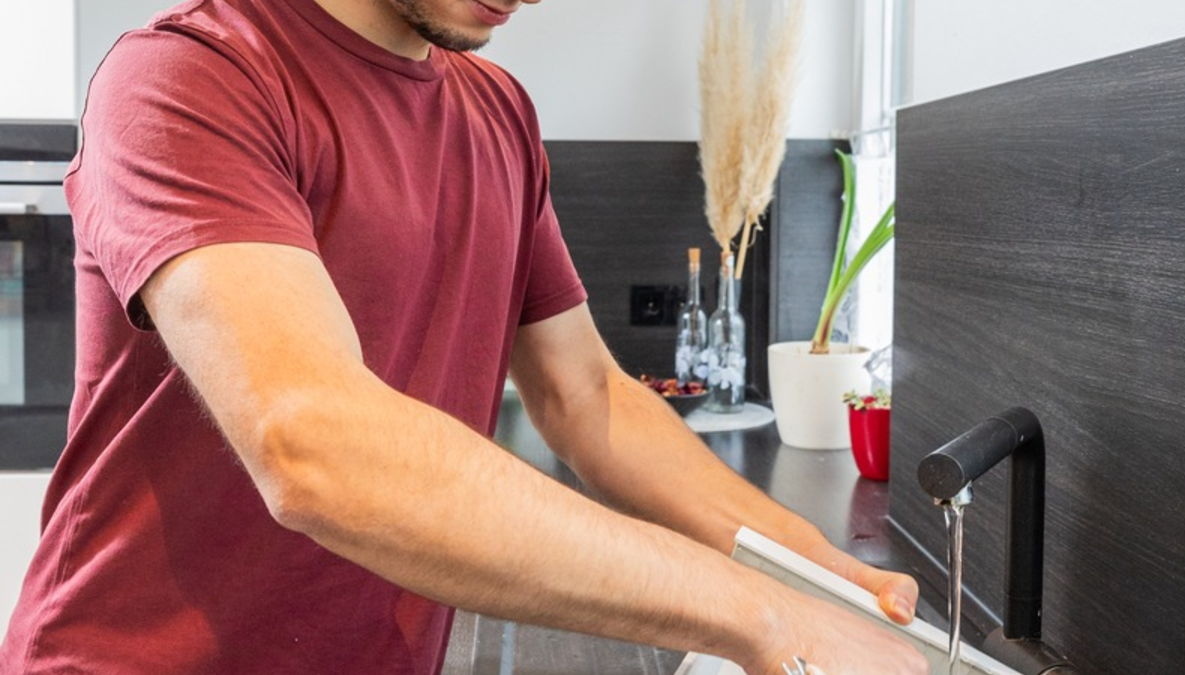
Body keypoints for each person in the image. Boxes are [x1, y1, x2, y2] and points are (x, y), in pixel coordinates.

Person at [0, 1, 929, 674]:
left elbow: (589, 398)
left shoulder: (500, 115)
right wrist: (753, 610)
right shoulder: (195, 75)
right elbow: (316, 445)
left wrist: (814, 568)